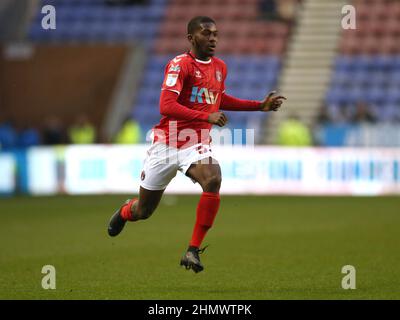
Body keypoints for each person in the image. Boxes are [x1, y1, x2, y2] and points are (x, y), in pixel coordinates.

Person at [107, 16, 286, 273]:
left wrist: (259, 106)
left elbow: (219, 98)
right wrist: (206, 115)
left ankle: (192, 250)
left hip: (196, 142)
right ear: (191, 38)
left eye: (215, 34)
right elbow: (166, 105)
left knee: (213, 179)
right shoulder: (180, 65)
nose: (213, 38)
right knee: (143, 211)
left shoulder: (220, 67)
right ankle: (125, 211)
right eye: (206, 33)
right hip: (167, 143)